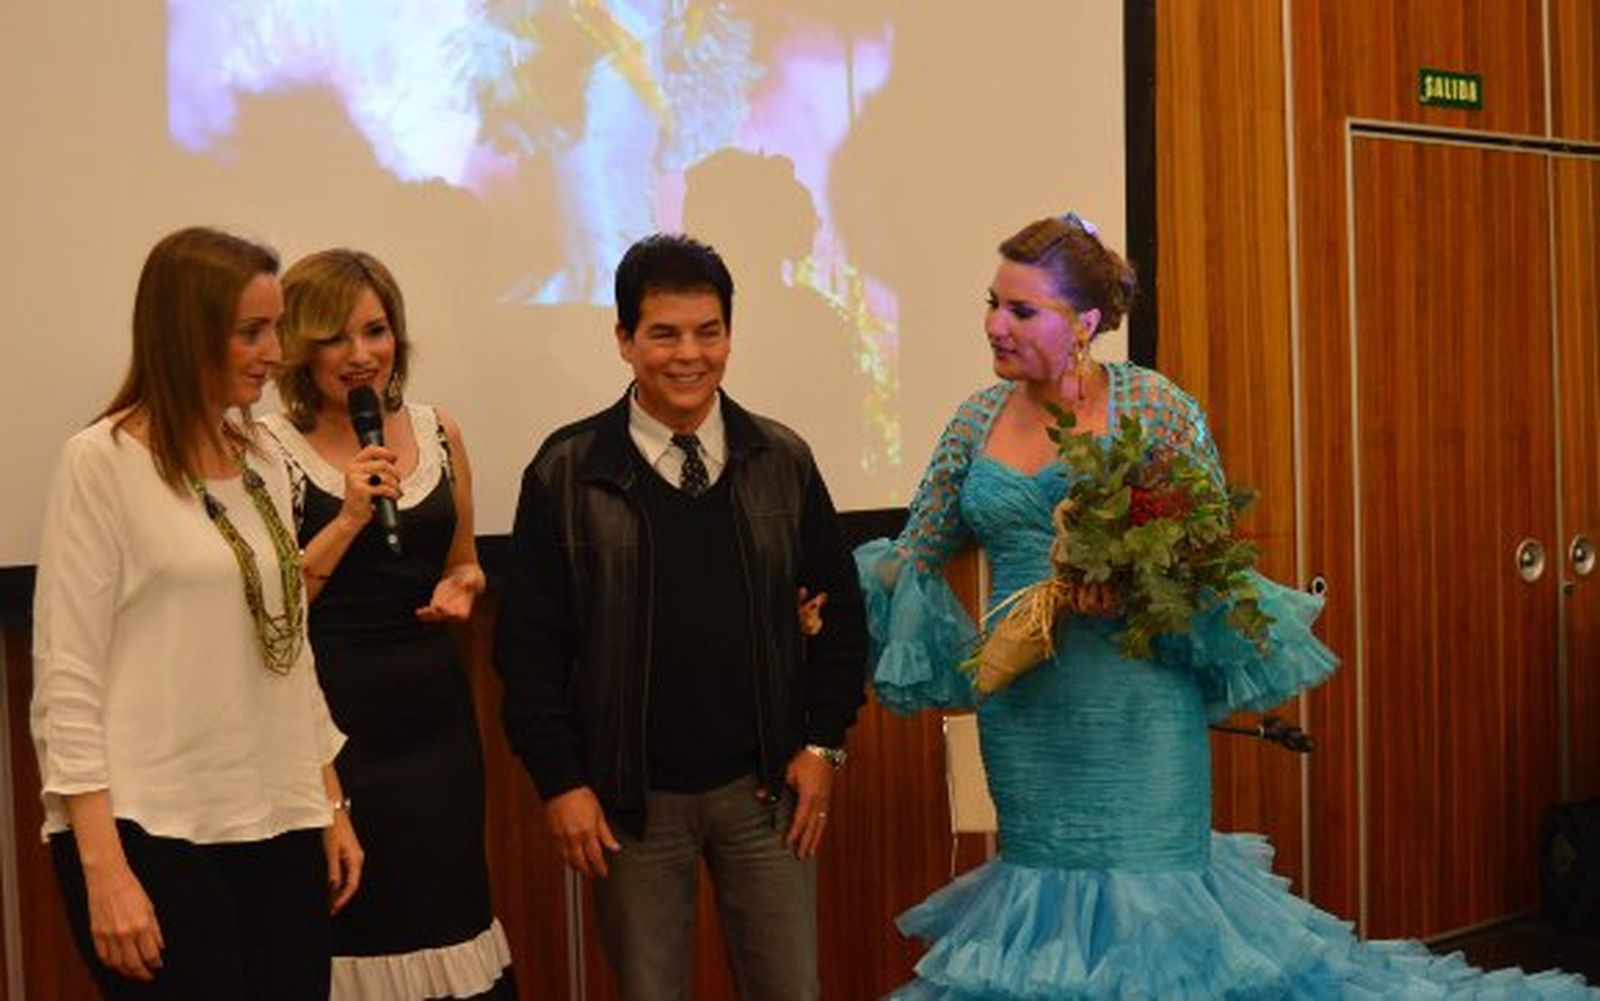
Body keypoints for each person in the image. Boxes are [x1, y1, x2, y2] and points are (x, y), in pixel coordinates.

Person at [855, 213, 1599, 999]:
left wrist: (1134, 588)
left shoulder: (1157, 407)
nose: (994, 324)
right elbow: (916, 550)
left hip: (1141, 711)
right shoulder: (976, 421)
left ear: (1086, 325)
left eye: (1020, 310)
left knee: (1156, 919)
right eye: (991, 302)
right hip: (1031, 717)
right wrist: (821, 601)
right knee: (1047, 906)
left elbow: (1211, 555)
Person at [495, 232, 868, 1000]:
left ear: (730, 334)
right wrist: (561, 782)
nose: (688, 354)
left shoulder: (783, 459)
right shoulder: (566, 471)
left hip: (767, 796)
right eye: (663, 333)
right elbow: (528, 647)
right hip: (629, 805)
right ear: (625, 340)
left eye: (708, 331)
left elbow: (841, 614)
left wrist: (824, 744)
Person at [30, 226, 361, 999]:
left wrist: (328, 799)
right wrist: (103, 868)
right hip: (152, 827)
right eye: (251, 331)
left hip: (277, 816)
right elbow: (66, 676)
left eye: (274, 327)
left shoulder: (262, 458)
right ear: (187, 332)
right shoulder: (101, 461)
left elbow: (288, 643)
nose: (274, 352)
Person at [260, 249, 514, 1000]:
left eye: (376, 330)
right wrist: (347, 517)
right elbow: (268, 611)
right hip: (330, 732)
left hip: (435, 726)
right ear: (301, 347)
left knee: (449, 918)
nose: (361, 354)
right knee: (353, 928)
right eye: (336, 337)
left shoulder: (439, 432)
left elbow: (466, 560)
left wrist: (463, 587)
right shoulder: (266, 450)